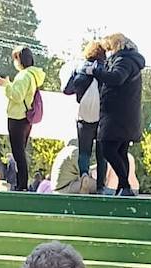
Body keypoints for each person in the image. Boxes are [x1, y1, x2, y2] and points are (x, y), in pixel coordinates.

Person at [91, 34, 145, 196]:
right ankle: (124, 187)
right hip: (126, 115)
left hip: (117, 115)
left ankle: (125, 185)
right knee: (120, 151)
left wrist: (96, 72)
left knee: (107, 148)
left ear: (115, 46)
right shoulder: (131, 61)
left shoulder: (124, 60)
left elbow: (116, 78)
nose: (107, 53)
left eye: (108, 49)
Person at [0, 47, 45, 192]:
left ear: (20, 60)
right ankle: (21, 182)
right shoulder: (34, 75)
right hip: (26, 117)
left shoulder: (23, 75)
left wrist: (6, 85)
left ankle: (21, 184)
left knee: (18, 153)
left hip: (17, 117)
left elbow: (17, 96)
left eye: (15, 58)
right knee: (20, 151)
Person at [62, 40, 106, 194]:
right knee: (102, 153)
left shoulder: (79, 68)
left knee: (84, 152)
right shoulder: (104, 69)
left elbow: (66, 89)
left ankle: (84, 177)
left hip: (83, 116)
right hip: (101, 117)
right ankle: (101, 186)